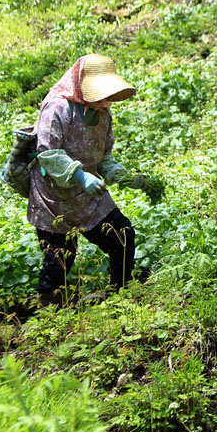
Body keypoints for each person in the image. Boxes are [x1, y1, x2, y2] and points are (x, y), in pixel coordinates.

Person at [28, 53, 146, 307]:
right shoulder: (58, 108)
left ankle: (120, 293)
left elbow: (104, 157)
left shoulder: (103, 114)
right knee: (59, 259)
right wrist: (80, 176)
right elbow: (47, 153)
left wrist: (124, 177)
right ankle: (48, 314)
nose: (106, 101)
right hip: (53, 199)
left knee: (122, 235)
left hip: (88, 196)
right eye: (101, 95)